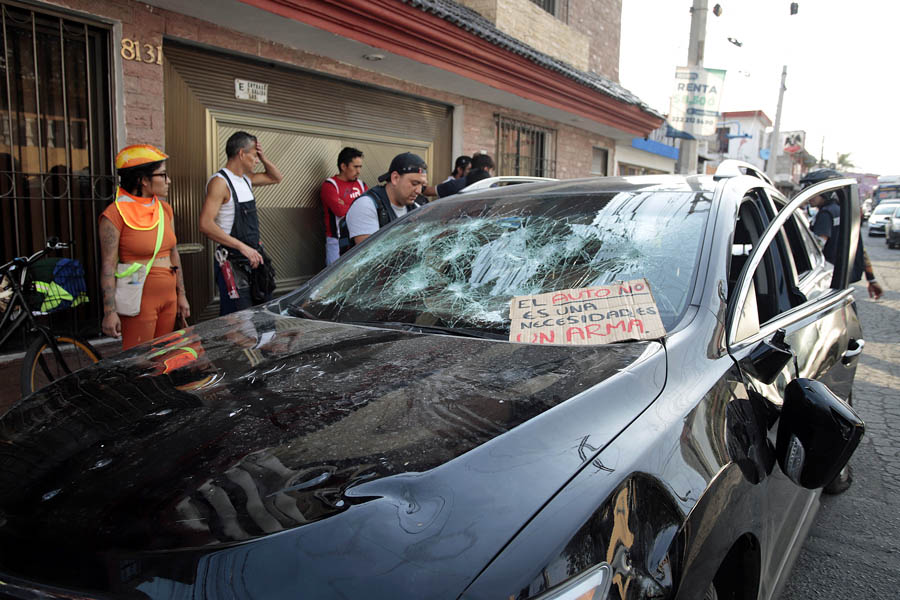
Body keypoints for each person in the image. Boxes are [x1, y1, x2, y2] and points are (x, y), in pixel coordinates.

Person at [99, 144, 190, 350]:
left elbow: (174, 253)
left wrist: (182, 295)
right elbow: (108, 265)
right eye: (162, 175)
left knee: (166, 356)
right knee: (140, 360)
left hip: (169, 296)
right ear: (143, 180)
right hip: (138, 298)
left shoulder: (165, 209)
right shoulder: (114, 214)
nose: (168, 181)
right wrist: (109, 311)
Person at [200, 131, 283, 315]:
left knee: (264, 318)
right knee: (238, 323)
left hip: (254, 260)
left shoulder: (246, 179)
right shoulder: (220, 183)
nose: (256, 161)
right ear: (241, 154)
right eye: (254, 155)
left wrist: (263, 156)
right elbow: (205, 224)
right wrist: (242, 247)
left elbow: (276, 177)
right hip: (233, 262)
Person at [800, 168, 882, 299]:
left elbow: (816, 248)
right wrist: (871, 279)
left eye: (813, 191)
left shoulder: (826, 214)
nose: (809, 196)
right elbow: (859, 248)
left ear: (826, 192)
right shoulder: (844, 212)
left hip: (826, 279)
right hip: (840, 279)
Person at [345, 152, 427, 246]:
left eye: (422, 185)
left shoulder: (416, 209)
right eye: (415, 183)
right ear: (395, 178)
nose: (419, 191)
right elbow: (370, 255)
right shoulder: (366, 206)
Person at [320, 147, 367, 265]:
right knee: (335, 280)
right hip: (337, 241)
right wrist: (357, 205)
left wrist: (346, 204)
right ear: (343, 166)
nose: (358, 171)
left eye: (360, 167)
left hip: (359, 239)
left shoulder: (361, 185)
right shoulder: (330, 185)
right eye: (355, 167)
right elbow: (339, 211)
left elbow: (369, 209)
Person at [424, 152, 495, 199]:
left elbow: (427, 191)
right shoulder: (493, 188)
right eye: (492, 171)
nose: (492, 175)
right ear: (486, 169)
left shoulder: (454, 184)